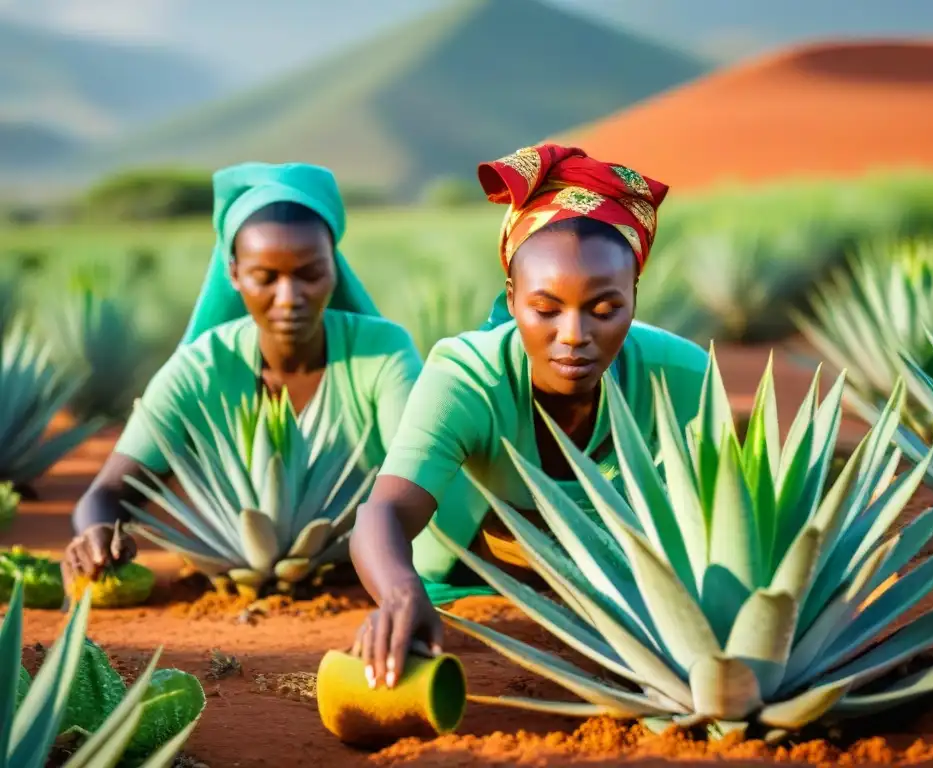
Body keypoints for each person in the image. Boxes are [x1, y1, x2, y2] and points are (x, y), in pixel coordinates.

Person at [348, 144, 710, 690]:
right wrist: (401, 593)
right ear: (512, 298)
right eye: (545, 310)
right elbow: (385, 513)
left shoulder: (681, 376)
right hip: (464, 596)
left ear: (634, 298)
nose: (574, 335)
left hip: (624, 609)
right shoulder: (467, 377)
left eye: (606, 310)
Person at [61, 161, 423, 586]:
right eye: (265, 277)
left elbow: (419, 484)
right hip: (230, 576)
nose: (289, 298)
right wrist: (95, 532)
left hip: (364, 576)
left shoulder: (382, 354)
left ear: (334, 270)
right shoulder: (201, 369)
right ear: (234, 273)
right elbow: (107, 493)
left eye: (310, 274)